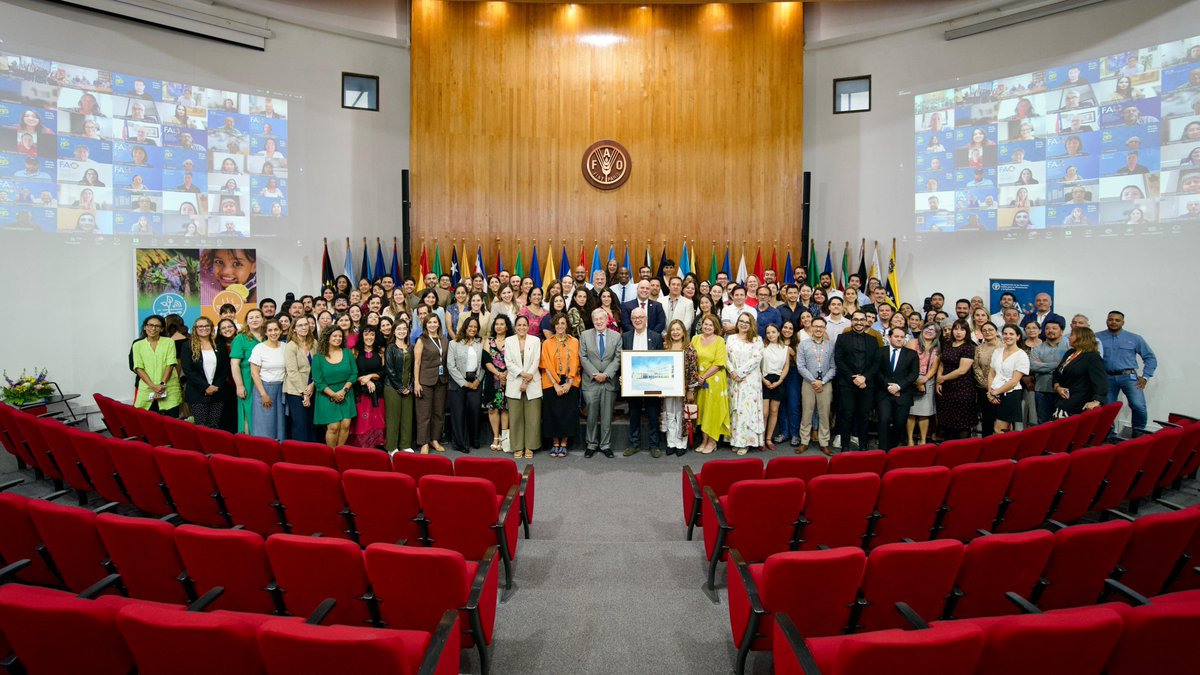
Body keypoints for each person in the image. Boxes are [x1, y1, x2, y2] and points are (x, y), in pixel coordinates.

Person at [1097, 310, 1157, 436]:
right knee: (1107, 409)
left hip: (1128, 376)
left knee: (1138, 406)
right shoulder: (1097, 338)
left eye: (1117, 320)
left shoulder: (1135, 338)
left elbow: (1150, 358)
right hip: (1106, 377)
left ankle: (1138, 435)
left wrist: (1145, 377)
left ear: (1123, 322)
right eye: (1110, 319)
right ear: (1106, 320)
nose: (1113, 322)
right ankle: (1109, 436)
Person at [621, 307, 665, 457]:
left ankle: (654, 445)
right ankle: (635, 444)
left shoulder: (656, 336)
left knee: (653, 414)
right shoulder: (625, 337)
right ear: (631, 320)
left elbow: (660, 361)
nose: (638, 320)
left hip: (652, 383)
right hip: (633, 383)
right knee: (634, 414)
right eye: (635, 318)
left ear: (646, 319)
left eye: (641, 317)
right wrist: (623, 376)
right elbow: (622, 360)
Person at [834, 312, 880, 451]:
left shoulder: (873, 340)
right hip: (847, 383)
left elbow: (876, 362)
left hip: (866, 383)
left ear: (866, 321)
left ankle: (863, 446)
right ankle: (845, 446)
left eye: (862, 320)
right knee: (847, 415)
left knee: (864, 416)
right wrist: (853, 378)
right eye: (856, 320)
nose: (859, 322)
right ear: (851, 322)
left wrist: (864, 377)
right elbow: (839, 360)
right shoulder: (842, 338)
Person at [579, 308, 621, 458]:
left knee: (606, 416)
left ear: (607, 320)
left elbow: (617, 358)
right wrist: (595, 374)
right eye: (595, 319)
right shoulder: (584, 335)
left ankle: (605, 445)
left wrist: (606, 375)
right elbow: (583, 357)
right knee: (591, 415)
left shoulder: (616, 337)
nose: (598, 322)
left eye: (601, 319)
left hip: (608, 382)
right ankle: (591, 444)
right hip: (591, 382)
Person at [179, 317, 229, 429]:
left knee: (215, 425)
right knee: (202, 427)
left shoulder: (219, 344)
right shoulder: (187, 346)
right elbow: (188, 370)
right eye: (200, 326)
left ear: (211, 327)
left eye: (207, 325)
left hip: (218, 392)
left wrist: (215, 387)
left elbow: (225, 368)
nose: (204, 328)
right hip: (198, 393)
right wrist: (206, 387)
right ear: (195, 329)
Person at [691, 315, 730, 454]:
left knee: (712, 411)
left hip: (714, 380)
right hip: (699, 382)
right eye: (705, 324)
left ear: (715, 327)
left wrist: (704, 376)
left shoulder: (719, 341)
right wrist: (697, 378)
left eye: (710, 325)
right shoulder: (695, 339)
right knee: (702, 411)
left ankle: (712, 441)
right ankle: (704, 440)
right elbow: (690, 358)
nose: (707, 327)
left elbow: (719, 363)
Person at [877, 327, 919, 451]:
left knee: (900, 423)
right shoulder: (880, 352)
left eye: (902, 337)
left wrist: (898, 386)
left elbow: (913, 374)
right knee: (884, 420)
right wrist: (888, 386)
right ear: (889, 337)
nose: (899, 339)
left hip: (903, 393)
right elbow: (877, 371)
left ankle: (892, 447)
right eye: (896, 336)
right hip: (884, 393)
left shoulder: (911, 354)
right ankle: (883, 450)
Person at [505, 315, 542, 458]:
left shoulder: (535, 340)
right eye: (519, 325)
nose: (521, 328)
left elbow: (536, 361)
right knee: (516, 417)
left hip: (532, 382)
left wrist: (526, 381)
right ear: (515, 327)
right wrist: (522, 375)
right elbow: (508, 362)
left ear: (528, 326)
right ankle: (517, 446)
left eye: (524, 325)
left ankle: (530, 446)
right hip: (514, 382)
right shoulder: (509, 341)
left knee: (533, 417)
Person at [447, 316, 485, 453]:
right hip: (458, 382)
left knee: (474, 411)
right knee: (458, 413)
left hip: (475, 380)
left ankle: (474, 440)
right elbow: (451, 366)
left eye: (475, 327)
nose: (473, 329)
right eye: (470, 326)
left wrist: (477, 381)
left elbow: (483, 365)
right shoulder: (454, 343)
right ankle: (460, 443)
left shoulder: (480, 343)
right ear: (465, 327)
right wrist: (464, 383)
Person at [936, 320, 978, 440]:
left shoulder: (968, 347)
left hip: (962, 390)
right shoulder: (948, 344)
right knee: (948, 423)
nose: (958, 332)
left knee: (962, 425)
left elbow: (962, 370)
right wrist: (939, 380)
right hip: (946, 389)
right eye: (956, 329)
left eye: (962, 329)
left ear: (967, 332)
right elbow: (942, 363)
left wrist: (943, 378)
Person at [413, 314, 449, 454]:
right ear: (425, 325)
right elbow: (417, 362)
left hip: (441, 380)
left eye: (435, 322)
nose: (433, 325)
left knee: (438, 412)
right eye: (430, 323)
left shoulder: (444, 340)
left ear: (439, 324)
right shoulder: (422, 340)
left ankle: (435, 439)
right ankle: (423, 442)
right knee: (424, 413)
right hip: (425, 381)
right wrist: (416, 382)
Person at [131, 315, 182, 415]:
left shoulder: (169, 342)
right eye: (150, 325)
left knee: (172, 423)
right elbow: (138, 367)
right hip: (147, 389)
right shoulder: (137, 345)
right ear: (145, 327)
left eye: (157, 326)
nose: (153, 328)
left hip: (168, 388)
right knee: (149, 423)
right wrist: (153, 387)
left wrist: (162, 385)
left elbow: (170, 364)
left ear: (162, 328)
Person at [661, 319, 698, 457]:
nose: (675, 332)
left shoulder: (689, 349)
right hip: (668, 388)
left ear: (683, 332)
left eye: (678, 329)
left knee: (681, 416)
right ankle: (671, 443)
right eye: (673, 329)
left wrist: (690, 390)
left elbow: (693, 371)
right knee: (669, 415)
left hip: (683, 389)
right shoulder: (665, 347)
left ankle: (681, 443)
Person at [1053, 327, 1108, 417]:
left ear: (1081, 337)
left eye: (1072, 335)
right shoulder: (1069, 353)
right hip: (1062, 398)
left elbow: (1101, 382)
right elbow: (1057, 372)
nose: (1068, 337)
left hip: (1079, 402)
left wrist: (1097, 401)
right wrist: (1057, 387)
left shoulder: (1093, 357)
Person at [986, 324, 1031, 434]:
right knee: (1002, 428)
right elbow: (991, 373)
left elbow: (1014, 381)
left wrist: (995, 393)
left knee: (999, 429)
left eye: (1011, 334)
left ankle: (1001, 451)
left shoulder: (1021, 355)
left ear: (1018, 337)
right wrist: (989, 392)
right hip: (993, 393)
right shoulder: (998, 351)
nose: (1007, 336)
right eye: (1005, 333)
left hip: (1010, 394)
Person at [249, 319, 287, 442]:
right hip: (264, 388)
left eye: (276, 329)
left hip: (282, 389)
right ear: (265, 332)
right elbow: (254, 373)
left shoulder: (285, 347)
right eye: (270, 330)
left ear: (281, 331)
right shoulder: (259, 348)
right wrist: (263, 394)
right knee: (264, 424)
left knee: (280, 424)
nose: (273, 333)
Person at [348, 327, 386, 448]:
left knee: (377, 418)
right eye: (366, 334)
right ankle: (363, 447)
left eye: (372, 335)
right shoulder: (355, 352)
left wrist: (370, 377)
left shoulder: (381, 351)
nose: (369, 337)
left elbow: (384, 371)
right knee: (362, 420)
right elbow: (352, 372)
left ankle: (376, 445)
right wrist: (363, 380)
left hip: (377, 390)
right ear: (362, 337)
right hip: (361, 391)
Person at [228, 309, 264, 433]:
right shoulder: (240, 339)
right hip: (247, 380)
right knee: (248, 411)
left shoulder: (268, 336)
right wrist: (239, 385)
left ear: (263, 319)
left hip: (266, 380)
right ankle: (249, 443)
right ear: (246, 321)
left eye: (257, 317)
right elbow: (234, 364)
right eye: (251, 318)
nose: (254, 320)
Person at [282, 318, 316, 442]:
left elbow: (317, 368)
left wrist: (312, 385)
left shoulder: (314, 343)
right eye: (300, 325)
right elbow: (292, 372)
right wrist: (304, 393)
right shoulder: (291, 346)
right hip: (296, 391)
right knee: (300, 423)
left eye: (306, 324)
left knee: (311, 423)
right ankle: (300, 454)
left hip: (312, 388)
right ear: (294, 329)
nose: (304, 327)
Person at [383, 320, 415, 453]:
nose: (402, 331)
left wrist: (410, 385)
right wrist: (400, 388)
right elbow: (389, 370)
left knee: (407, 417)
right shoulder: (390, 348)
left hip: (408, 387)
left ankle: (405, 445)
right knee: (393, 418)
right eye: (399, 329)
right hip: (392, 388)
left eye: (404, 329)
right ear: (394, 331)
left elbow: (413, 369)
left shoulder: (410, 347)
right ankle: (391, 447)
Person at [907, 325, 941, 446]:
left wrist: (924, 380)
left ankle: (923, 440)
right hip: (911, 379)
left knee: (924, 413)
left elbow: (934, 367)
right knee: (911, 412)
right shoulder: (913, 342)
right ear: (922, 330)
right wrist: (916, 381)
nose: (929, 332)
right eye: (927, 329)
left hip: (928, 381)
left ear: (937, 334)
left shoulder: (937, 347)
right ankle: (910, 440)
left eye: (933, 330)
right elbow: (906, 361)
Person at [482, 315, 512, 452]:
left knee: (506, 408)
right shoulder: (489, 341)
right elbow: (486, 360)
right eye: (497, 324)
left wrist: (505, 374)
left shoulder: (511, 341)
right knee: (493, 408)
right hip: (492, 379)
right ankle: (496, 437)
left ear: (507, 326)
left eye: (502, 324)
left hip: (509, 378)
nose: (499, 326)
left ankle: (505, 437)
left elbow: (514, 360)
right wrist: (498, 374)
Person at [759, 323, 789, 452]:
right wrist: (763, 379)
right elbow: (757, 365)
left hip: (778, 381)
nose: (771, 334)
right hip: (764, 379)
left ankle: (768, 439)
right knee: (764, 412)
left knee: (774, 411)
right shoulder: (762, 347)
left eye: (773, 332)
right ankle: (760, 439)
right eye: (768, 332)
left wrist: (780, 380)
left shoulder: (785, 348)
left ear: (778, 333)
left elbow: (786, 366)